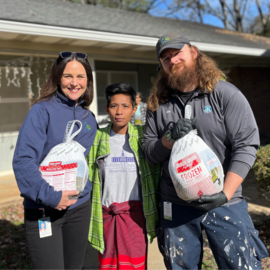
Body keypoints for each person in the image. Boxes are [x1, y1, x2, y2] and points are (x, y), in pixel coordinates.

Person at [141, 33, 269, 269]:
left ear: (194, 52)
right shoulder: (158, 105)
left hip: (225, 202)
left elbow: (246, 145)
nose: (173, 60)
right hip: (175, 206)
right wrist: (170, 137)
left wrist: (225, 193)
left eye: (177, 52)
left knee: (240, 264)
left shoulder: (224, 94)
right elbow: (149, 153)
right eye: (165, 58)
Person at [13, 52, 98, 269]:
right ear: (58, 77)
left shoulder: (89, 119)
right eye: (68, 76)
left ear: (88, 80)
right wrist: (50, 196)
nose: (74, 82)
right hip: (44, 209)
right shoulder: (41, 111)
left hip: (79, 208)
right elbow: (23, 160)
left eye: (81, 76)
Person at [87, 83, 160, 270]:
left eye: (125, 106)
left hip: (135, 217)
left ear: (134, 109)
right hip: (105, 218)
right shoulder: (96, 138)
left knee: (135, 265)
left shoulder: (143, 137)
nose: (119, 111)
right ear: (106, 109)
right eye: (113, 106)